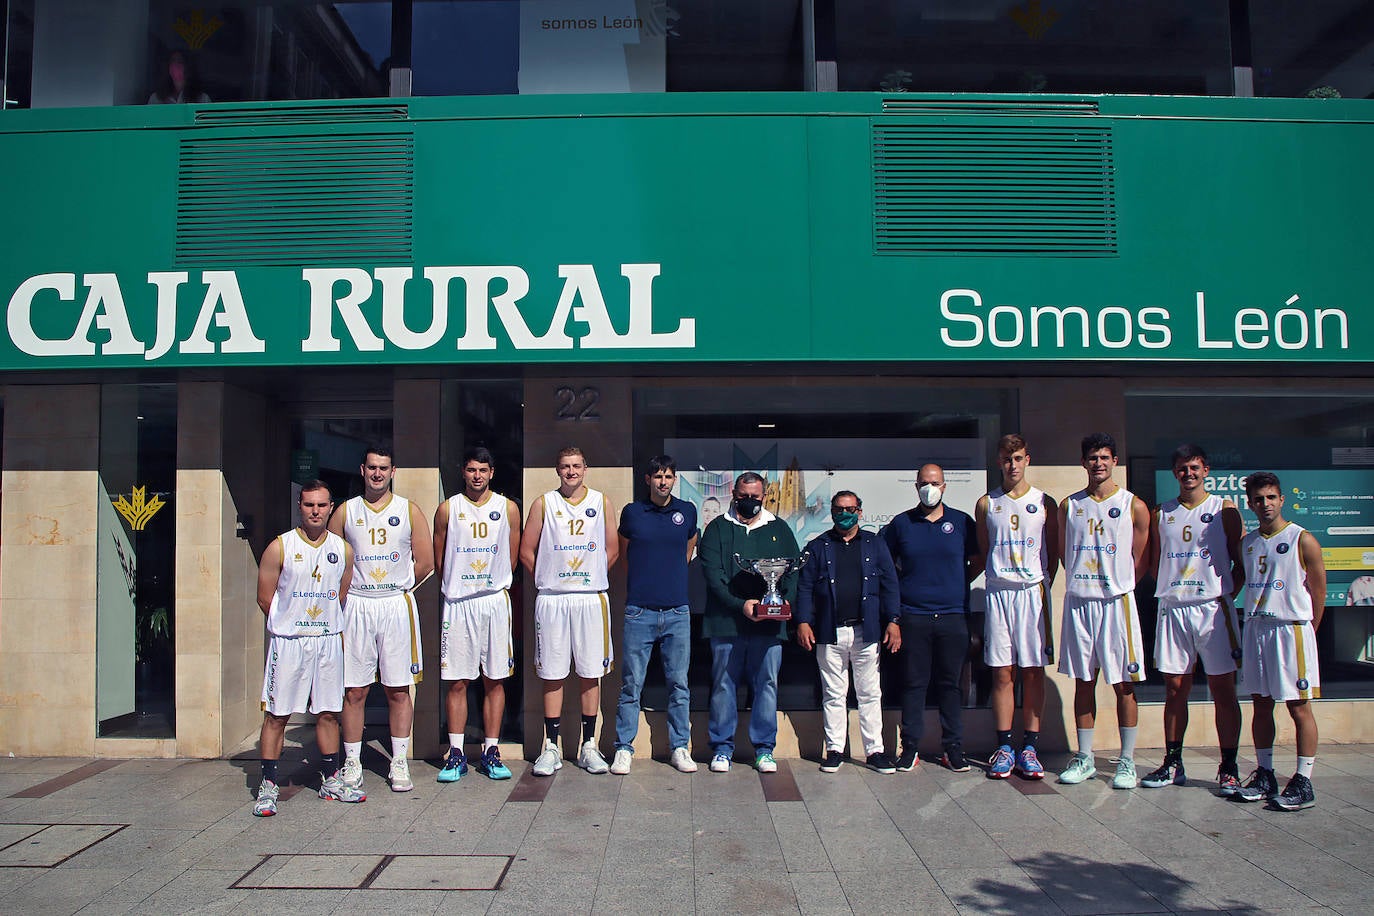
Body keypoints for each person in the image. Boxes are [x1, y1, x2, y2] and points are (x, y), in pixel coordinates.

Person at [328, 445, 434, 793]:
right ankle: (352, 761)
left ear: (393, 471)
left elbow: (426, 561)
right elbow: (332, 559)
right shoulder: (346, 511)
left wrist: (396, 586)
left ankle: (398, 761)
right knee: (354, 690)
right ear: (362, 469)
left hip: (394, 604)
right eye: (372, 467)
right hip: (357, 604)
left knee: (398, 689)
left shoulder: (408, 510)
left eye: (383, 468)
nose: (377, 473)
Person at [253, 480, 362, 816]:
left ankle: (331, 780)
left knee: (329, 713)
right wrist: (292, 624)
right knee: (278, 715)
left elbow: (341, 594)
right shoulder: (279, 547)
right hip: (290, 644)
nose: (316, 511)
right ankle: (268, 786)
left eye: (322, 505)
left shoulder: (342, 549)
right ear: (299, 506)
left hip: (328, 641)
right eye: (309, 505)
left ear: (331, 507)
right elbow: (265, 597)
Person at [1141, 444, 1245, 793]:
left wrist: (1224, 592)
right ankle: (1173, 763)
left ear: (1206, 470)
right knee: (1174, 689)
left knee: (1222, 689)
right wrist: (1174, 588)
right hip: (1175, 607)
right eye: (1183, 468)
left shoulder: (1224, 510)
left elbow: (1239, 561)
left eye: (1195, 467)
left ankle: (1228, 766)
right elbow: (1154, 560)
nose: (1189, 474)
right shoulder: (1162, 512)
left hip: (1213, 608)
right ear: (1175, 473)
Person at [1056, 433, 1151, 789]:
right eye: (1093, 457)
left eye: (1105, 457)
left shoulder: (1132, 505)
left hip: (1116, 604)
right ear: (1084, 462)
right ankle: (1085, 758)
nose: (1099, 463)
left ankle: (1126, 761)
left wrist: (1117, 583)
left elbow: (1139, 559)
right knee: (1084, 680)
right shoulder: (1070, 505)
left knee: (1123, 683)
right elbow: (1066, 553)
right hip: (1081, 601)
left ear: (1115, 461)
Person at [520, 447, 620, 776]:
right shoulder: (543, 504)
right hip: (553, 599)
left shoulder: (600, 502)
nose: (571, 471)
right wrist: (550, 578)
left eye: (576, 466)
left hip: (590, 598)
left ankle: (588, 746)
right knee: (552, 673)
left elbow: (611, 549)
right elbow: (526, 551)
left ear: (585, 469)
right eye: (565, 466)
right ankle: (551, 747)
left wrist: (587, 577)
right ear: (557, 470)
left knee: (590, 672)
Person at [1234, 472, 1327, 810]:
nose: (1266, 504)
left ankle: (1303, 780)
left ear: (1282, 499)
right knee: (1260, 703)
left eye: (1271, 497)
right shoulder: (1248, 543)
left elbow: (1318, 592)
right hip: (1257, 628)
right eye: (1259, 499)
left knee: (1299, 706)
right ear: (1251, 503)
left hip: (1291, 629)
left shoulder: (1303, 539)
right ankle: (1265, 773)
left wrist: (1308, 631)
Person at [881, 464, 982, 773]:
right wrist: (895, 614)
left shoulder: (962, 522)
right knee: (914, 684)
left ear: (944, 486)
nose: (930, 488)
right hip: (914, 616)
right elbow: (885, 567)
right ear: (916, 487)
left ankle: (953, 748)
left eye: (935, 483)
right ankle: (909, 747)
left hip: (953, 616)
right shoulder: (902, 524)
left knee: (950, 685)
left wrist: (957, 583)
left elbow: (978, 559)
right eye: (924, 483)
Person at [699, 471, 800, 773]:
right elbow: (713, 576)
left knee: (767, 684)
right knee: (723, 686)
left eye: (755, 497)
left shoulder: (779, 529)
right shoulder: (717, 528)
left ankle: (764, 749)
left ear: (765, 496)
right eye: (743, 496)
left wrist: (781, 602)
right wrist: (740, 605)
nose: (749, 502)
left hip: (769, 627)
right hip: (726, 624)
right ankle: (721, 748)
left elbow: (792, 572)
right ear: (734, 494)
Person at [795, 490, 901, 774]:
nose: (845, 514)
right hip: (830, 631)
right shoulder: (817, 546)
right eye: (839, 509)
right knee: (833, 693)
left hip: (866, 631)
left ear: (860, 512)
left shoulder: (875, 545)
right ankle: (835, 749)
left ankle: (875, 750)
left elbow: (890, 584)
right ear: (832, 512)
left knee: (869, 693)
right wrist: (803, 621)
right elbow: (804, 587)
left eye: (850, 509)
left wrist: (893, 620)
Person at [432, 446, 521, 782]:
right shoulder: (447, 509)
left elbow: (511, 559)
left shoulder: (507, 508)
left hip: (494, 601)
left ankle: (491, 750)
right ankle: (455, 753)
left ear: (492, 473)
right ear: (463, 472)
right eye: (471, 470)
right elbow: (441, 561)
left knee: (494, 679)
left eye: (482, 470)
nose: (477, 476)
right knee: (457, 680)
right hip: (459, 602)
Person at [975, 435, 1059, 779]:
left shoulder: (1045, 502)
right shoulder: (986, 503)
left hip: (1031, 592)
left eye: (1019, 458)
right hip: (999, 593)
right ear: (999, 462)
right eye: (1007, 460)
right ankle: (1005, 746)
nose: (1013, 465)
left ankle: (1031, 747)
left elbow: (1051, 554)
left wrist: (1039, 583)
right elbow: (984, 549)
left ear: (1027, 460)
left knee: (1033, 670)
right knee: (1002, 671)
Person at [611, 455, 699, 775]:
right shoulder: (633, 513)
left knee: (678, 683)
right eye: (658, 476)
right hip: (639, 611)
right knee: (631, 684)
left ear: (675, 479)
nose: (663, 482)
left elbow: (689, 544)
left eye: (669, 476)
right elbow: (624, 554)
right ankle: (623, 748)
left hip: (677, 610)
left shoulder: (686, 511)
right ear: (647, 480)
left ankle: (679, 747)